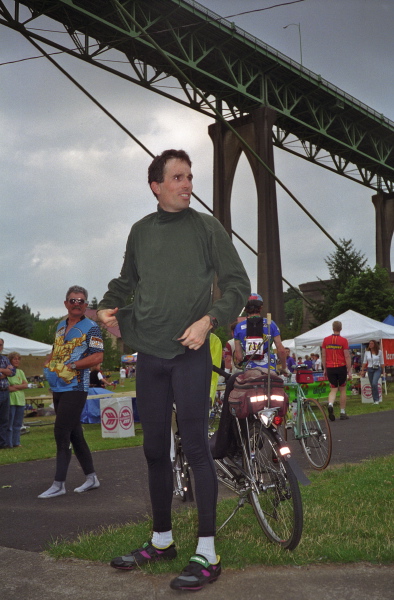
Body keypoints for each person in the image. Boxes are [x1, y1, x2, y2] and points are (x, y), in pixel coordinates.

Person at [96, 149, 250, 591]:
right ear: (156, 186)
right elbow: (126, 283)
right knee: (153, 451)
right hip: (148, 354)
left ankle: (207, 551)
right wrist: (108, 307)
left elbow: (239, 283)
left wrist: (209, 320)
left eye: (190, 176)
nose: (188, 184)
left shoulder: (207, 228)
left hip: (190, 353)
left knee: (196, 449)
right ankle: (161, 541)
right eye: (178, 177)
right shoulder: (140, 232)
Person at [38, 286, 104, 498]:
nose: (77, 304)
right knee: (75, 433)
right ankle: (91, 478)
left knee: (61, 431)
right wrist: (49, 364)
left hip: (76, 387)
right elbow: (56, 350)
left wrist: (74, 366)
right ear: (66, 303)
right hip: (58, 387)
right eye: (73, 300)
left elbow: (97, 357)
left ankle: (59, 484)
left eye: (81, 301)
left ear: (86, 306)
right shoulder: (59, 326)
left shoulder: (91, 327)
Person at [233, 293, 287, 375]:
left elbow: (239, 357)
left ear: (246, 308)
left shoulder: (239, 327)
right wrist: (284, 367)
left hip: (249, 368)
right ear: (261, 307)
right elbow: (281, 350)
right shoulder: (270, 324)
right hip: (269, 368)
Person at [321, 320, 352, 421]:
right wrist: (349, 370)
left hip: (330, 367)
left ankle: (330, 404)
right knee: (342, 389)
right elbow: (347, 356)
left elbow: (324, 355)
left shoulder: (326, 340)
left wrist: (325, 368)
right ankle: (342, 412)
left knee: (333, 389)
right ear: (341, 328)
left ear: (332, 328)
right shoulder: (344, 340)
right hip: (341, 366)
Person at [7, 352, 28, 448]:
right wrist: (20, 386)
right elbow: (8, 388)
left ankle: (16, 442)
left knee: (18, 423)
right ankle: (9, 442)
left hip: (20, 400)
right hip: (11, 400)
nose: (17, 361)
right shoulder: (7, 372)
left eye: (18, 359)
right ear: (10, 360)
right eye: (15, 359)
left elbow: (25, 385)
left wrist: (15, 386)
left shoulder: (20, 372)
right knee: (10, 423)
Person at [0, 339, 16, 449]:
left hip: (5, 392)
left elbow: (13, 372)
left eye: (1, 345)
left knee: (4, 419)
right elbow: (8, 372)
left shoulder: (5, 358)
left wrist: (3, 372)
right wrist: (5, 370)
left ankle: (3, 443)